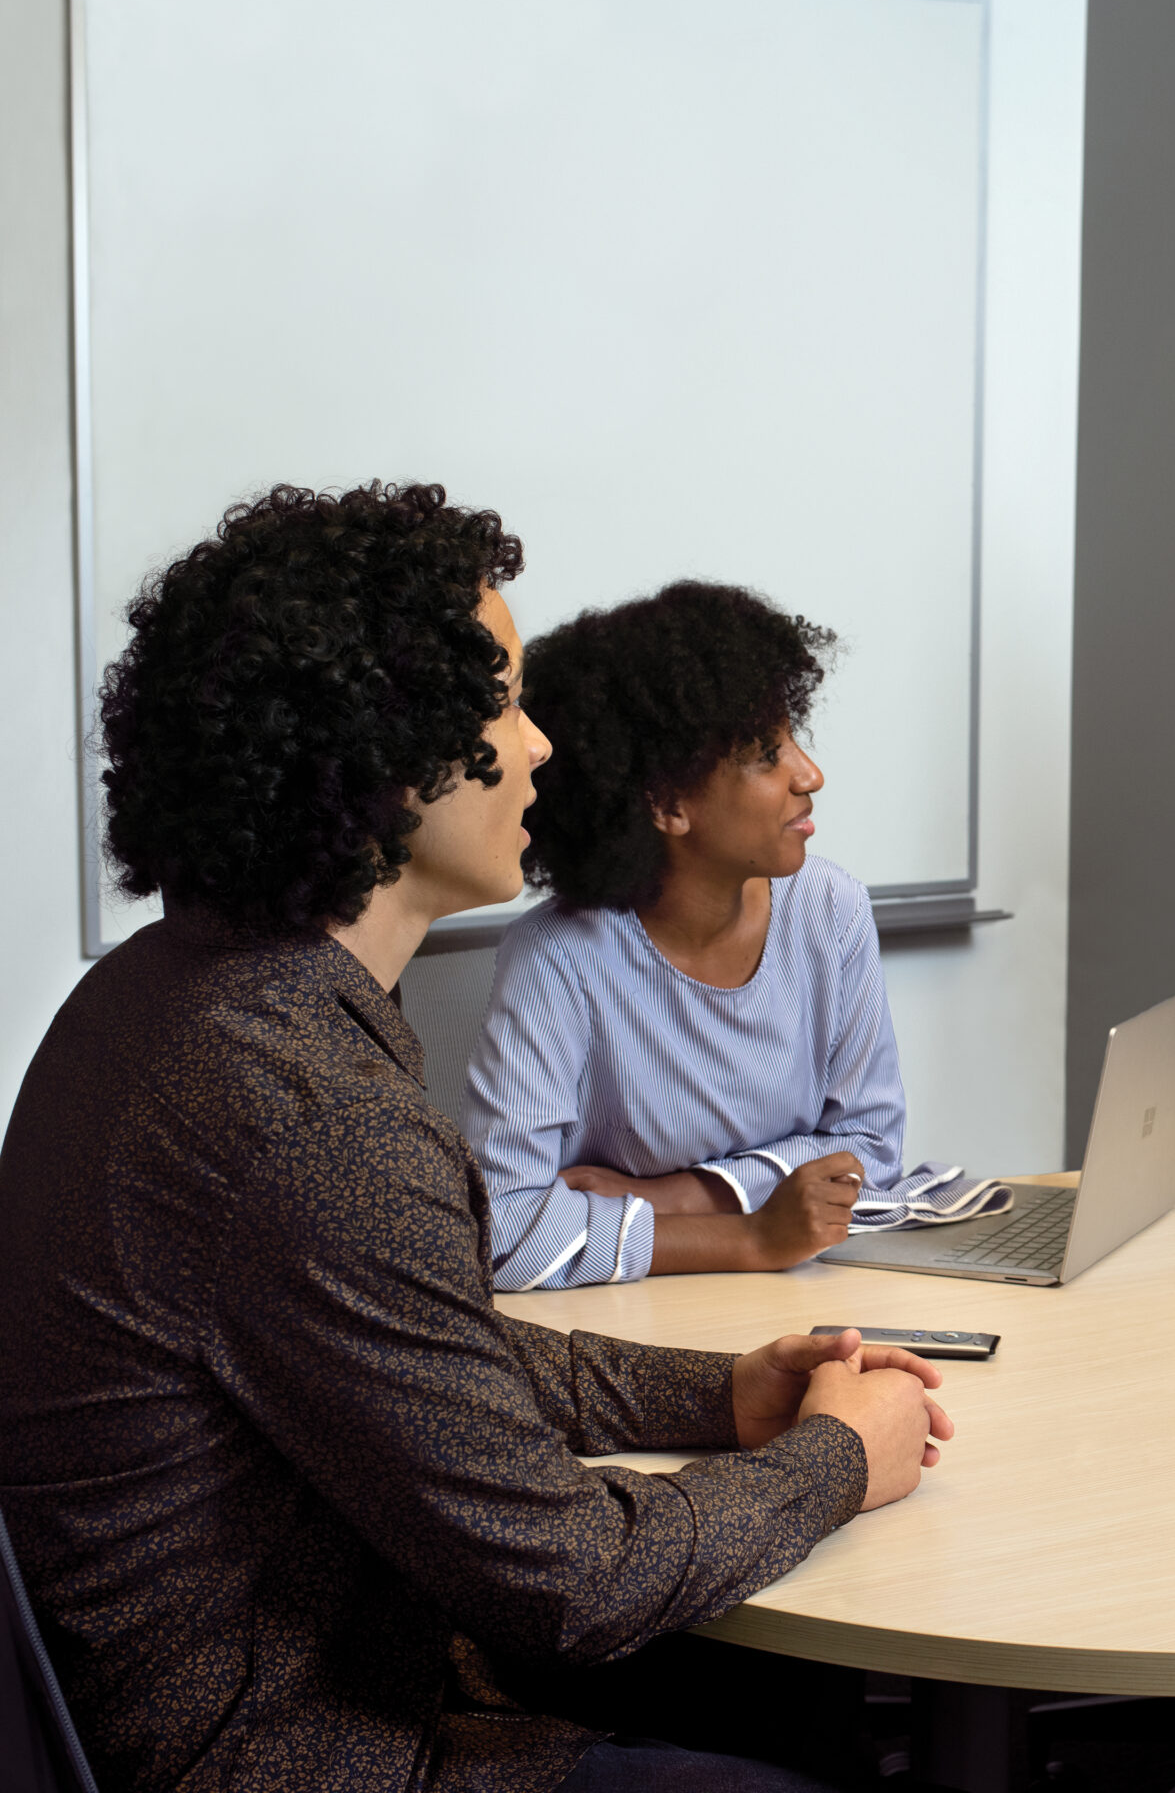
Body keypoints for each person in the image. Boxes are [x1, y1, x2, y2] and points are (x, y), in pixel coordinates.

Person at [0, 483, 952, 1793]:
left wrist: (716, 1394)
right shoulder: (308, 1115)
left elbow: (427, 1344)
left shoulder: (180, 992)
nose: (544, 744)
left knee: (781, 1690)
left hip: (294, 1679)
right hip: (304, 1749)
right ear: (389, 758)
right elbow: (574, 1584)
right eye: (503, 700)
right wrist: (835, 1461)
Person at [461, 581, 906, 1290]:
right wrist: (750, 1237)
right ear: (668, 804)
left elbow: (870, 1156)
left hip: (795, 1295)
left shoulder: (832, 910)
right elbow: (505, 1232)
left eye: (796, 739)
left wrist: (681, 1197)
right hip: (623, 1326)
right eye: (766, 754)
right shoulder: (557, 960)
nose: (810, 775)